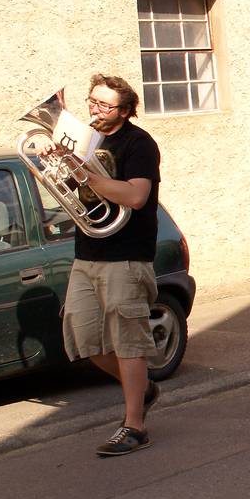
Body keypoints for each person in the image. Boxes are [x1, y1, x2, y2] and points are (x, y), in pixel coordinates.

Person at [56, 74, 161, 456]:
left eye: (104, 105)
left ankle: (135, 426)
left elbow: (135, 196)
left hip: (126, 256)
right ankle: (143, 388)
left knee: (128, 341)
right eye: (92, 101)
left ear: (126, 110)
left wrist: (85, 174)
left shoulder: (139, 143)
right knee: (82, 336)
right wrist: (58, 162)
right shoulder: (86, 141)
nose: (95, 110)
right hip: (87, 253)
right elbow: (72, 191)